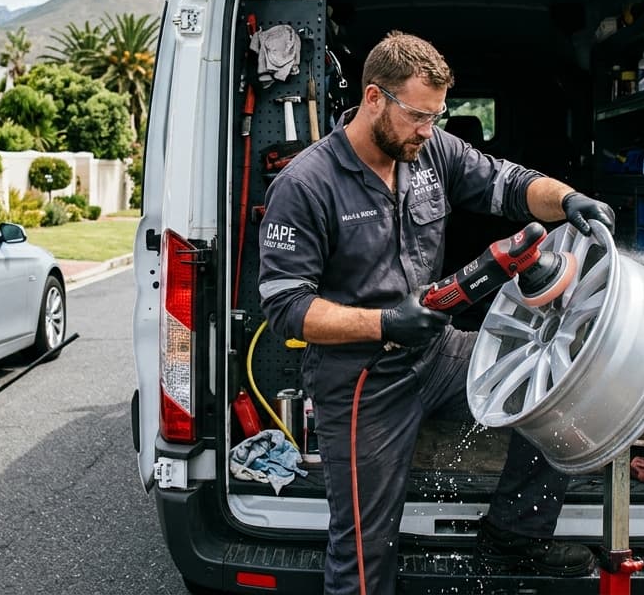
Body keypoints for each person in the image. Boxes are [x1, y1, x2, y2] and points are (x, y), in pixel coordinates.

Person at [257, 30, 615, 595]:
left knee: (556, 387)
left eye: (436, 116)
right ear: (374, 98)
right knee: (363, 549)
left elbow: (509, 184)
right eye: (419, 116)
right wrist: (382, 323)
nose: (429, 130)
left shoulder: (431, 151)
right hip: (360, 377)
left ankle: (515, 532)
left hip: (438, 351)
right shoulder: (306, 184)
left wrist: (569, 200)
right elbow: (285, 307)